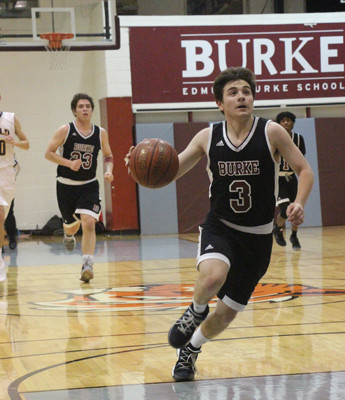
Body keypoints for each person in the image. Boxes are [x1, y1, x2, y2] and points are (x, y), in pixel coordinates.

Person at [126, 67, 313, 381]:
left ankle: (191, 350)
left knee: (225, 315)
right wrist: (136, 166)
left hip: (258, 238)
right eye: (233, 92)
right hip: (221, 226)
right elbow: (168, 173)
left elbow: (304, 170)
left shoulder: (272, 133)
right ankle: (195, 309)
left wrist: (299, 203)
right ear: (220, 104)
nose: (242, 96)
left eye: (246, 91)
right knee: (212, 278)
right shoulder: (207, 136)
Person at [45, 93, 114, 283]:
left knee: (89, 221)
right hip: (66, 186)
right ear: (74, 110)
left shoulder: (100, 133)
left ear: (92, 110)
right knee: (72, 226)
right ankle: (68, 233)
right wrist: (68, 163)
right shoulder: (65, 130)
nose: (85, 109)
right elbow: (48, 153)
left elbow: (108, 156)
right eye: (81, 106)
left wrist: (108, 171)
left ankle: (88, 264)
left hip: (89, 185)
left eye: (88, 106)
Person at [0, 103, 30, 281]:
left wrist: (14, 141)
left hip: (6, 174)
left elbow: (27, 144)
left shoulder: (11, 118)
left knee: (2, 215)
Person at [272, 112, 306, 250]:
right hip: (278, 178)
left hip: (292, 177)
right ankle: (278, 229)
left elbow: (301, 161)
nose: (286, 123)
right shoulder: (273, 139)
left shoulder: (298, 139)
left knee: (296, 210)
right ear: (279, 123)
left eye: (288, 120)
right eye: (283, 121)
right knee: (286, 209)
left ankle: (294, 235)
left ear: (293, 123)